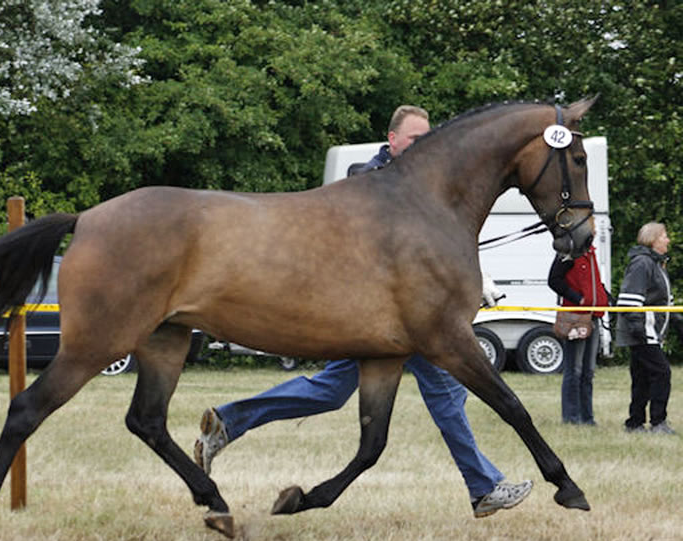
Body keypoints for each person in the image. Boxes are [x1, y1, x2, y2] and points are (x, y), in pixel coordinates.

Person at [194, 105, 533, 519]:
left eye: (426, 139)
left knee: (366, 393)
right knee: (415, 394)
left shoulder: (427, 187)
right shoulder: (370, 177)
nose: (420, 146)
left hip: (405, 321)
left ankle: (229, 421)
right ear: (392, 141)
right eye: (413, 139)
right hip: (376, 319)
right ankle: (483, 488)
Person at [616, 222, 678, 434]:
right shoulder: (642, 263)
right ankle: (658, 422)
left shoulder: (656, 264)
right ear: (653, 240)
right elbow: (629, 300)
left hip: (650, 331)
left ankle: (634, 423)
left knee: (642, 378)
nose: (668, 240)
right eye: (664, 236)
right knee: (662, 373)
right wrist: (638, 330)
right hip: (643, 332)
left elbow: (664, 303)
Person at [548, 232, 610, 425]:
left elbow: (593, 283)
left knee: (588, 371)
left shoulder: (590, 253)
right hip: (576, 317)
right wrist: (578, 298)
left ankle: (587, 416)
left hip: (593, 317)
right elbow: (554, 280)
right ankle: (571, 417)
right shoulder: (568, 253)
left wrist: (605, 299)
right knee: (574, 369)